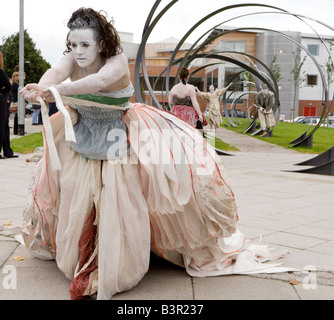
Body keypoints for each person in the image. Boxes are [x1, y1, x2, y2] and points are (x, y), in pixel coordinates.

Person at [20, 7, 290, 301]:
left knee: (117, 205)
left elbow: (97, 83)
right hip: (83, 144)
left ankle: (114, 265)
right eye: (73, 45)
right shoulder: (72, 59)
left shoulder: (117, 60)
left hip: (116, 145)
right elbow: (56, 72)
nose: (78, 52)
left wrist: (56, 90)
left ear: (100, 44)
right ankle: (85, 257)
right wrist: (42, 86)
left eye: (85, 45)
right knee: (78, 201)